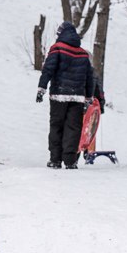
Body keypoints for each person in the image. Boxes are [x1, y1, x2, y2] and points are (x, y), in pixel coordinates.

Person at [36, 21, 95, 169]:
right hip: (77, 97)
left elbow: (48, 69)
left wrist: (41, 88)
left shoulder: (57, 49)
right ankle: (70, 161)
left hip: (59, 95)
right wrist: (89, 97)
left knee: (57, 126)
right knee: (73, 128)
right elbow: (90, 77)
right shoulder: (83, 53)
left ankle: (55, 160)